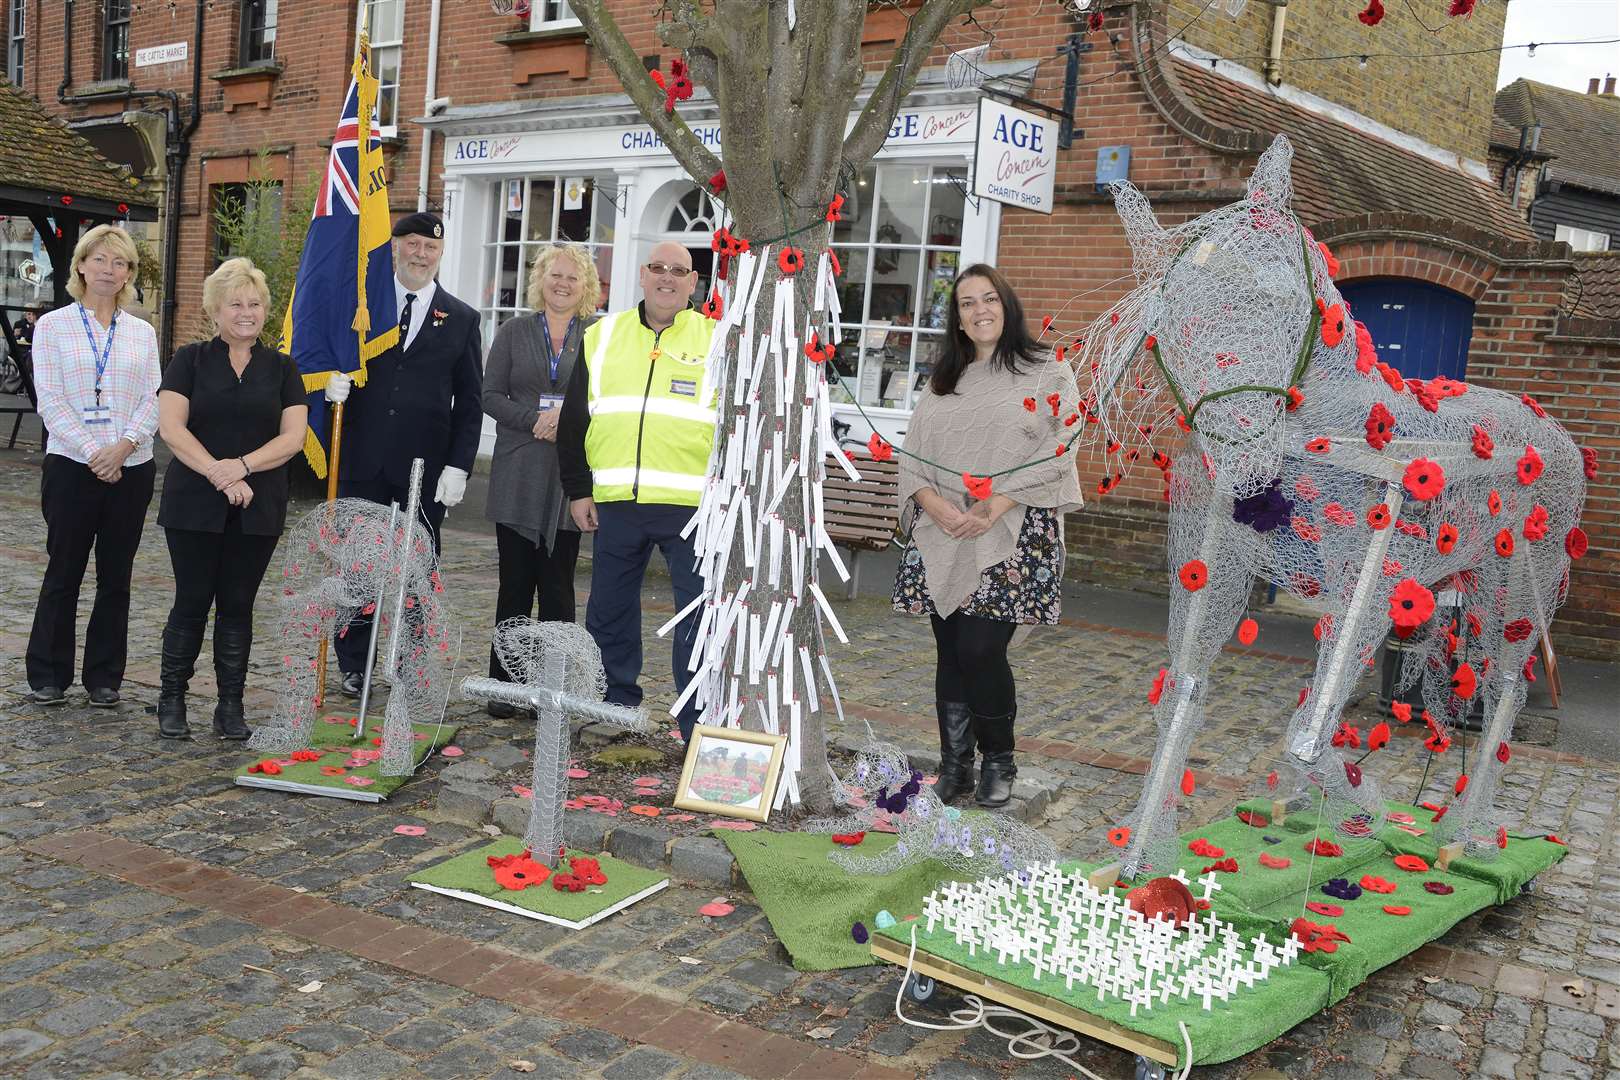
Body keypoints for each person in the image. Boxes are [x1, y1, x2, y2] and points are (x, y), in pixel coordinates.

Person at [892, 265, 1083, 808]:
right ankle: (957, 766)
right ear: (957, 317)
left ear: (1007, 305)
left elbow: (1060, 446)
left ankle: (999, 757)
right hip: (944, 531)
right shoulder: (943, 381)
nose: (980, 311)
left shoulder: (1047, 371)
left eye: (989, 299)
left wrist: (993, 506)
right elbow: (914, 459)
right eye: (967, 303)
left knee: (980, 648)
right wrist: (934, 505)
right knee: (950, 650)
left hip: (1014, 528)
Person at [558, 241, 715, 740]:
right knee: (608, 608)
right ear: (642, 275)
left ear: (694, 283)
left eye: (679, 271)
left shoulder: (719, 340)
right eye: (658, 269)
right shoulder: (602, 335)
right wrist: (578, 489)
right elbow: (574, 419)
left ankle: (697, 721)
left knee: (695, 616)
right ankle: (614, 707)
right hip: (616, 501)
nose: (667, 278)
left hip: (692, 506)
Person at [322, 212, 483, 697]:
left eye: (430, 247)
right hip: (362, 459)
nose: (420, 253)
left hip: (424, 469)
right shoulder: (362, 307)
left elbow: (470, 401)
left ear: (440, 254)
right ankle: (356, 662)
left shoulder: (462, 318)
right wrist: (328, 392)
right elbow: (324, 365)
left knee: (419, 567)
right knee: (357, 567)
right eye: (411, 244)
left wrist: (459, 465)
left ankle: (410, 657)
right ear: (394, 248)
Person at [154, 258, 309, 740]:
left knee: (239, 604)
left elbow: (294, 438)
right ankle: (172, 700)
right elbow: (171, 428)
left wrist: (240, 468)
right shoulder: (190, 359)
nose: (247, 312)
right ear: (215, 311)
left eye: (255, 303)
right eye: (236, 303)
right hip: (193, 503)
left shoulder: (283, 367)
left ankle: (230, 707)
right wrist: (220, 477)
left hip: (258, 503)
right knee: (192, 600)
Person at [24, 225, 162, 707]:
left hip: (132, 467)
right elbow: (51, 401)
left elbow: (152, 399)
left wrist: (123, 447)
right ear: (80, 265)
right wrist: (94, 452)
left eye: (120, 263)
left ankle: (104, 676)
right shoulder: (53, 326)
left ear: (128, 274)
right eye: (100, 260)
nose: (109, 270)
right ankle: (48, 673)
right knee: (64, 570)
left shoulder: (141, 332)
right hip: (72, 466)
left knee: (116, 575)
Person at [480, 244, 599, 716]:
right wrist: (536, 420)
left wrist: (566, 421)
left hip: (569, 474)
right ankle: (505, 690)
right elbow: (489, 394)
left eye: (573, 277)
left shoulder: (598, 335)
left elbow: (604, 397)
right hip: (518, 468)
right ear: (540, 280)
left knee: (558, 587)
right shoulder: (513, 332)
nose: (563, 283)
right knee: (513, 585)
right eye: (555, 275)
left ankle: (552, 691)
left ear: (586, 286)